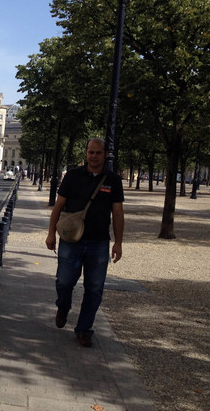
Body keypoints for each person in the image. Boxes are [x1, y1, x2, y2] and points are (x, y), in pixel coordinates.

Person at [45, 137, 124, 348]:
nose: (94, 156)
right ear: (86, 153)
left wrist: (118, 243)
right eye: (91, 152)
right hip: (71, 240)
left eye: (98, 153)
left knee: (95, 289)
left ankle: (84, 330)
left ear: (105, 154)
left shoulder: (113, 180)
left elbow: (117, 213)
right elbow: (58, 207)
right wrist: (51, 233)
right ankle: (63, 306)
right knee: (63, 281)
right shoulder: (72, 176)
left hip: (98, 242)